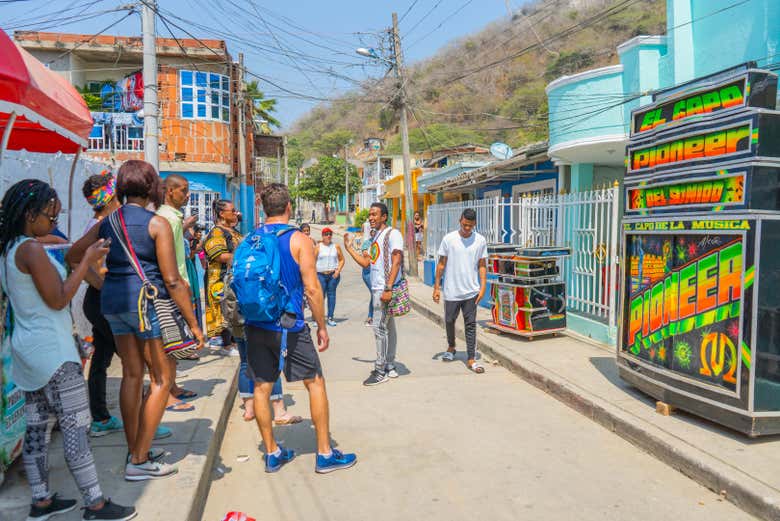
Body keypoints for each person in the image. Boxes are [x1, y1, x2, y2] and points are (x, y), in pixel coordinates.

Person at [0, 179, 136, 520]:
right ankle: (95, 503)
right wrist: (86, 259)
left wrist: (69, 247)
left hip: (28, 352)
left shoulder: (11, 248)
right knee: (76, 427)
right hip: (54, 353)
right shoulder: (29, 250)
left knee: (36, 428)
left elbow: (55, 244)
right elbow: (59, 298)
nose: (54, 224)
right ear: (30, 215)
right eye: (50, 216)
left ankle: (41, 501)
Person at [68, 160, 204, 482]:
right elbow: (171, 280)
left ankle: (135, 450)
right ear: (151, 188)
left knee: (131, 375)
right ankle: (140, 459)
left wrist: (100, 282)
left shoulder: (106, 223)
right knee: (159, 379)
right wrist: (194, 324)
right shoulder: (155, 224)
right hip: (145, 306)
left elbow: (73, 256)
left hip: (113, 303)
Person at [245, 183, 356, 474]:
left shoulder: (252, 237)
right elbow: (312, 288)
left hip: (256, 322)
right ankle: (324, 453)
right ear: (289, 207)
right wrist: (321, 325)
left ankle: (271, 452)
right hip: (289, 324)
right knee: (314, 382)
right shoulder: (299, 240)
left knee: (261, 387)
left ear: (263, 208)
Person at [79, 172, 128, 437]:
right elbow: (92, 267)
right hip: (102, 300)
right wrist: (109, 288)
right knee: (133, 362)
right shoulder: (99, 227)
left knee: (101, 358)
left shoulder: (100, 223)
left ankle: (100, 418)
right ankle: (143, 419)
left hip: (99, 300)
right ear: (109, 197)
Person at [343, 202, 403, 386]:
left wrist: (388, 288)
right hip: (377, 289)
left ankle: (380, 369)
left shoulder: (393, 234)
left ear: (384, 216)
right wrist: (349, 248)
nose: (371, 217)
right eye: (370, 214)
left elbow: (397, 261)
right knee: (388, 327)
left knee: (379, 328)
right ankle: (390, 364)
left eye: (374, 214)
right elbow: (365, 262)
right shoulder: (374, 236)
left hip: (385, 289)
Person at [156, 175, 199, 410]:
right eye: (183, 190)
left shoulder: (173, 218)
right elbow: (168, 257)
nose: (187, 195)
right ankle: (167, 394)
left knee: (174, 345)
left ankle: (173, 387)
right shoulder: (167, 219)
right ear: (169, 191)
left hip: (179, 283)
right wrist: (180, 284)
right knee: (168, 344)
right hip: (172, 287)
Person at [432, 208, 488, 374]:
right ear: (460, 221)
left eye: (470, 226)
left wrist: (483, 286)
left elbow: (482, 265)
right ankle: (451, 346)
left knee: (470, 324)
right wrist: (436, 287)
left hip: (471, 291)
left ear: (474, 224)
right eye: (464, 225)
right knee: (449, 320)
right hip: (451, 290)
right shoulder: (449, 239)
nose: (467, 228)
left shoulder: (480, 240)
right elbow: (441, 264)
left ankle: (471, 358)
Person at [203, 199, 242, 353]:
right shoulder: (217, 232)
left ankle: (233, 342)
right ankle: (226, 345)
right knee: (224, 311)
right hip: (220, 279)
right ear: (221, 214)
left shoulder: (233, 231)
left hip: (233, 279)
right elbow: (219, 255)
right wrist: (243, 257)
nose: (236, 213)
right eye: (232, 211)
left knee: (233, 310)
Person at [314, 227, 344, 327]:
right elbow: (313, 261)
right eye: (326, 234)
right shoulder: (318, 247)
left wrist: (338, 271)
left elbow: (341, 260)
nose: (328, 236)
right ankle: (318, 318)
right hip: (320, 275)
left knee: (331, 296)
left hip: (332, 275)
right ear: (322, 236)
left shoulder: (336, 246)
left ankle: (330, 317)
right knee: (320, 297)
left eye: (330, 234)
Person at [359, 229, 376, 326]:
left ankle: (374, 316)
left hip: (378, 272)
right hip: (368, 272)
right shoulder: (367, 243)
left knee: (375, 294)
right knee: (374, 293)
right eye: (372, 231)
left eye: (375, 231)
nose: (374, 233)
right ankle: (370, 316)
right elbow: (365, 254)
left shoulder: (380, 242)